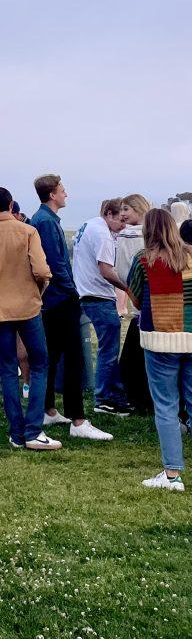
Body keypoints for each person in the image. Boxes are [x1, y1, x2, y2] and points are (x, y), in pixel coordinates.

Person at [0, 186, 59, 450]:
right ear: (11, 205)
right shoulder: (27, 231)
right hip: (28, 307)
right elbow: (43, 270)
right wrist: (39, 288)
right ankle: (33, 429)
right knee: (39, 365)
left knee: (8, 369)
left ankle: (16, 432)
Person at [29, 175, 113, 441]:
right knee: (74, 358)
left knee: (52, 356)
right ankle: (78, 419)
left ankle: (49, 409)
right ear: (52, 194)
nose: (67, 194)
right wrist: (72, 291)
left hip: (54, 299)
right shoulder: (45, 222)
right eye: (63, 190)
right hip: (60, 299)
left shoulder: (46, 219)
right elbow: (55, 265)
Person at [126, 208, 192, 491]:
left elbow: (136, 298)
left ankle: (172, 474)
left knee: (165, 406)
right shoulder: (190, 256)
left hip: (160, 341)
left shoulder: (143, 260)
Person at [73, 198, 131, 416]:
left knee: (109, 347)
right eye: (121, 220)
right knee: (108, 349)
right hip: (98, 296)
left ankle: (115, 394)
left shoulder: (89, 225)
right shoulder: (103, 235)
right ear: (108, 214)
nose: (124, 225)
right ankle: (103, 398)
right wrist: (128, 288)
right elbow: (106, 270)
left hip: (85, 292)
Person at [117, 194, 153, 413]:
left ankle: (136, 396)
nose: (122, 214)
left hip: (138, 295)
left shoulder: (127, 236)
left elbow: (122, 271)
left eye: (126, 209)